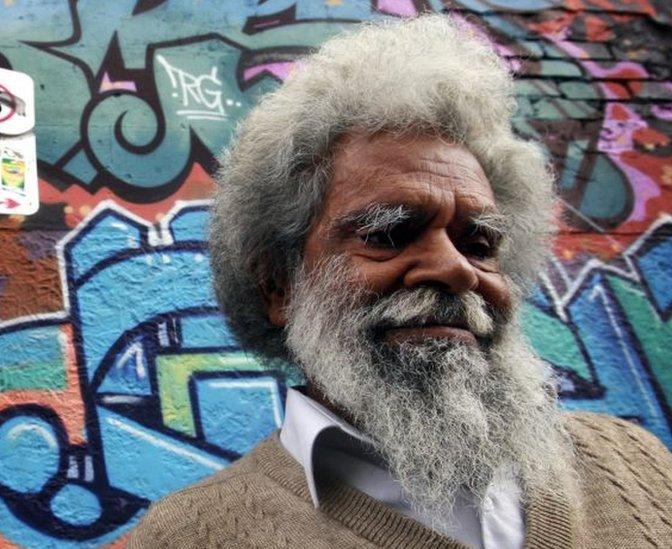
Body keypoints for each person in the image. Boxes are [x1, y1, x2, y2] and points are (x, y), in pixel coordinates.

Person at [127, 14, 672, 549]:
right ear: (279, 287)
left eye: (479, 244)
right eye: (390, 234)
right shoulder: (195, 536)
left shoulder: (640, 470)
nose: (456, 268)